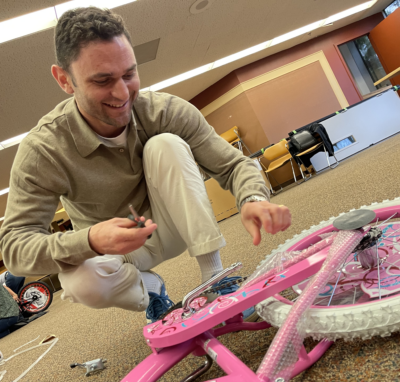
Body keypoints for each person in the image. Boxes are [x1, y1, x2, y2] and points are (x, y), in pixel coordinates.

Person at [0, 7, 291, 324]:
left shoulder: (164, 110)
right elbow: (15, 247)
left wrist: (253, 199)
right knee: (78, 281)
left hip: (175, 224)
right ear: (64, 80)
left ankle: (216, 279)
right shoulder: (44, 149)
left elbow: (234, 166)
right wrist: (91, 240)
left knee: (165, 144)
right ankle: (152, 291)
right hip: (117, 251)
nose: (122, 93)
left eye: (129, 74)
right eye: (102, 80)